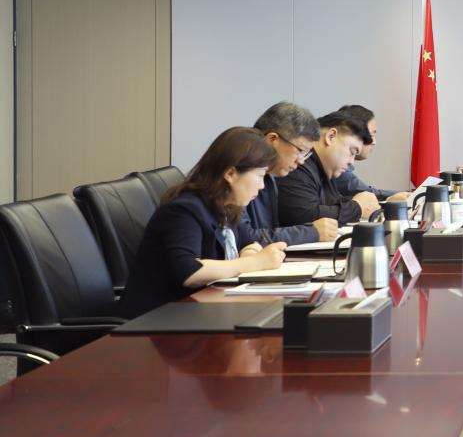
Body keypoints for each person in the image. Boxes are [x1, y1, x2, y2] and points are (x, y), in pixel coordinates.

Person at [118, 127, 286, 318]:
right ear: (231, 173)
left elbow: (248, 242)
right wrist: (254, 263)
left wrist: (251, 255)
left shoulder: (227, 205)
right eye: (260, 175)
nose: (262, 186)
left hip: (200, 311)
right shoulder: (184, 210)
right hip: (157, 320)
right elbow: (189, 272)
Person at [242, 101, 339, 246]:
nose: (301, 161)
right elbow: (243, 237)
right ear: (272, 139)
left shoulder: (270, 175)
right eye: (300, 151)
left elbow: (268, 233)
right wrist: (311, 232)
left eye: (306, 154)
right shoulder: (239, 168)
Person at [276, 110, 381, 226]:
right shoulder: (297, 164)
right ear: (331, 136)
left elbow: (333, 204)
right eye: (352, 152)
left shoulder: (324, 170)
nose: (352, 162)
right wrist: (356, 208)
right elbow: (304, 216)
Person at [331, 104, 409, 202]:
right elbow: (367, 194)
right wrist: (407, 195)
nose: (373, 142)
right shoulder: (335, 167)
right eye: (370, 135)